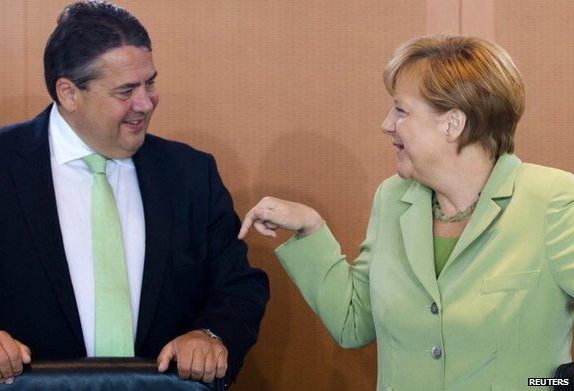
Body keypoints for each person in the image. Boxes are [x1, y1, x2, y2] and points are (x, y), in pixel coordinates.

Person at [0, 1, 269, 386]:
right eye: (126, 90)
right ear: (68, 93)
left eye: (150, 82)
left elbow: (237, 285)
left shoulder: (190, 173)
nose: (146, 102)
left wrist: (211, 335)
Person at [239, 35, 574, 390]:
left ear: (453, 124)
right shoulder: (393, 198)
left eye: (400, 110)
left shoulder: (553, 200)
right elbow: (353, 324)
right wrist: (310, 229)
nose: (386, 124)